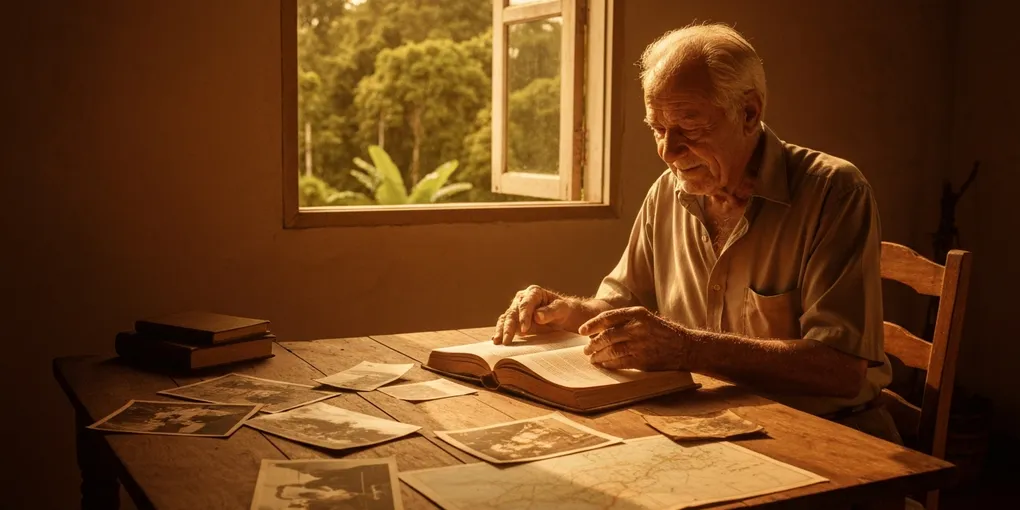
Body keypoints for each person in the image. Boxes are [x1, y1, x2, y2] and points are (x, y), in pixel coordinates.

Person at [492, 23, 900, 444]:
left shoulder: (834, 191)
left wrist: (688, 348)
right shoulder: (667, 192)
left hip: (828, 436)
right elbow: (619, 305)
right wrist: (565, 311)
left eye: (689, 125)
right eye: (657, 128)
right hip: (707, 427)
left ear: (749, 113)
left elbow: (840, 369)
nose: (668, 151)